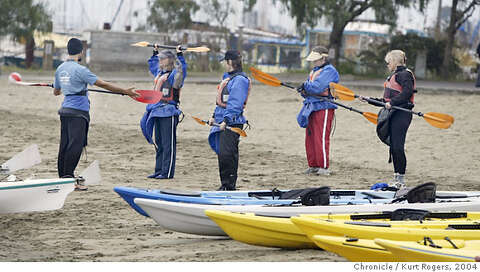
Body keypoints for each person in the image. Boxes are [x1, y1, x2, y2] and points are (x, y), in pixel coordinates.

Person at [53, 38, 139, 190]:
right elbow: (103, 84)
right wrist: (125, 91)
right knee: (75, 145)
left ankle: (63, 178)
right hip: (78, 112)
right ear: (81, 51)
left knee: (65, 145)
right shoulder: (81, 70)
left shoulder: (60, 68)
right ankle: (68, 179)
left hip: (65, 111)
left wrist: (64, 85)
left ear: (68, 50)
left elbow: (56, 91)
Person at [358, 50, 415, 188]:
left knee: (397, 147)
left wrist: (393, 103)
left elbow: (407, 93)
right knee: (394, 146)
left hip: (402, 113)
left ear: (395, 62)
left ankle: (400, 179)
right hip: (393, 113)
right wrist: (369, 100)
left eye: (388, 62)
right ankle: (397, 177)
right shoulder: (395, 76)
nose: (387, 64)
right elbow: (386, 101)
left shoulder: (405, 75)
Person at [140, 45, 187, 179]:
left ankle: (167, 172)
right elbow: (153, 64)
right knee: (159, 143)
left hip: (169, 112)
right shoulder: (159, 74)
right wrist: (155, 51)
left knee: (168, 144)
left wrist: (180, 56)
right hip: (157, 111)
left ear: (170, 60)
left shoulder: (174, 76)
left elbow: (182, 72)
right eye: (160, 59)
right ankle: (159, 170)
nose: (160, 61)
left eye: (163, 59)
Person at [208, 50, 250, 191]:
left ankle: (229, 186)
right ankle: (225, 184)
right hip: (222, 120)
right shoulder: (228, 78)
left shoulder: (240, 80)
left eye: (225, 62)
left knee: (228, 154)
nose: (225, 65)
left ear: (230, 62)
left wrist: (226, 120)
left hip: (232, 122)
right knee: (222, 154)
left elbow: (235, 103)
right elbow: (221, 102)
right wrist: (214, 116)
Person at [296, 46, 339, 176]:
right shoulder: (315, 70)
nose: (314, 62)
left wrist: (305, 86)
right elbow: (311, 89)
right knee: (310, 137)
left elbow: (317, 88)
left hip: (324, 106)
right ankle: (313, 165)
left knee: (320, 137)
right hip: (311, 106)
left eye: (316, 60)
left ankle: (323, 166)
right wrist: (303, 90)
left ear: (324, 58)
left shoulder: (330, 70)